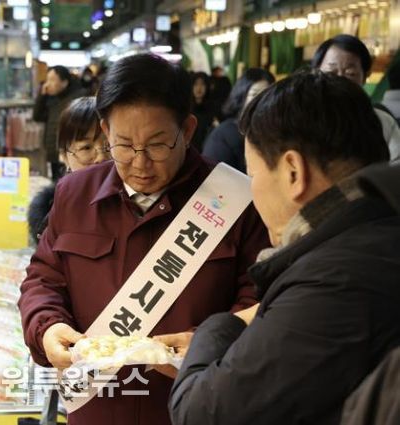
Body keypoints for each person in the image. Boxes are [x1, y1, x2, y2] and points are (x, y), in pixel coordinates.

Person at [19, 53, 270, 425]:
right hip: (96, 408)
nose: (139, 163)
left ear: (187, 130)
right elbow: (43, 278)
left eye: (157, 145)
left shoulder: (235, 199)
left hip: (193, 407)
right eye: (123, 145)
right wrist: (47, 326)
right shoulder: (74, 193)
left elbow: (260, 300)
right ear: (106, 131)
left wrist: (208, 344)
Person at [169, 70, 400, 425]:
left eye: (253, 174)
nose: (253, 190)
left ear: (293, 171)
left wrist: (218, 328)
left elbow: (200, 412)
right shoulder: (378, 233)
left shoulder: (334, 282)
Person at [28, 96, 110, 243]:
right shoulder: (50, 215)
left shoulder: (138, 205)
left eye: (109, 145)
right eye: (86, 148)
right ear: (64, 156)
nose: (101, 157)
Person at [312, 34, 400, 162]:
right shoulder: (299, 120)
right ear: (315, 73)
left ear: (365, 76)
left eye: (350, 73)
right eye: (331, 72)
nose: (340, 80)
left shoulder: (383, 122)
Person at [202, 68, 274, 173]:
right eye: (254, 94)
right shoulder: (225, 135)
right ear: (242, 96)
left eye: (267, 95)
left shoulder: (274, 133)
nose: (262, 101)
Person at [33, 65, 85, 181]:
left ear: (64, 82)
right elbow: (37, 116)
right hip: (53, 153)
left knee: (69, 184)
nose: (47, 84)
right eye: (47, 80)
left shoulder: (78, 98)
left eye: (52, 80)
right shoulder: (51, 99)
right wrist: (42, 96)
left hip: (70, 154)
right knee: (55, 184)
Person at [189, 72, 215, 152]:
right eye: (196, 84)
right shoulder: (187, 109)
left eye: (202, 84)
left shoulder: (212, 108)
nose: (199, 88)